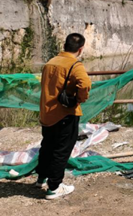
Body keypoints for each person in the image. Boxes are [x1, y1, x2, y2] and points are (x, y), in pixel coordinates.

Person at [37, 33, 91, 200]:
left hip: (47, 113)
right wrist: (79, 99)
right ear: (80, 49)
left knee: (47, 146)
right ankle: (54, 187)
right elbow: (85, 84)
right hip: (65, 114)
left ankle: (41, 178)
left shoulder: (50, 62)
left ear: (64, 45)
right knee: (61, 150)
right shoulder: (75, 65)